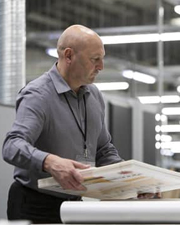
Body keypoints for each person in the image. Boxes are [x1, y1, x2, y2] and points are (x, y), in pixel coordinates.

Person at [2, 24, 159, 224]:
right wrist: (50, 162)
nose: (101, 66)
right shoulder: (38, 95)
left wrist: (131, 182)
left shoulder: (93, 95)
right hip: (35, 205)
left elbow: (103, 151)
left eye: (102, 59)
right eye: (95, 59)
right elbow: (11, 145)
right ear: (69, 56)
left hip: (74, 204)